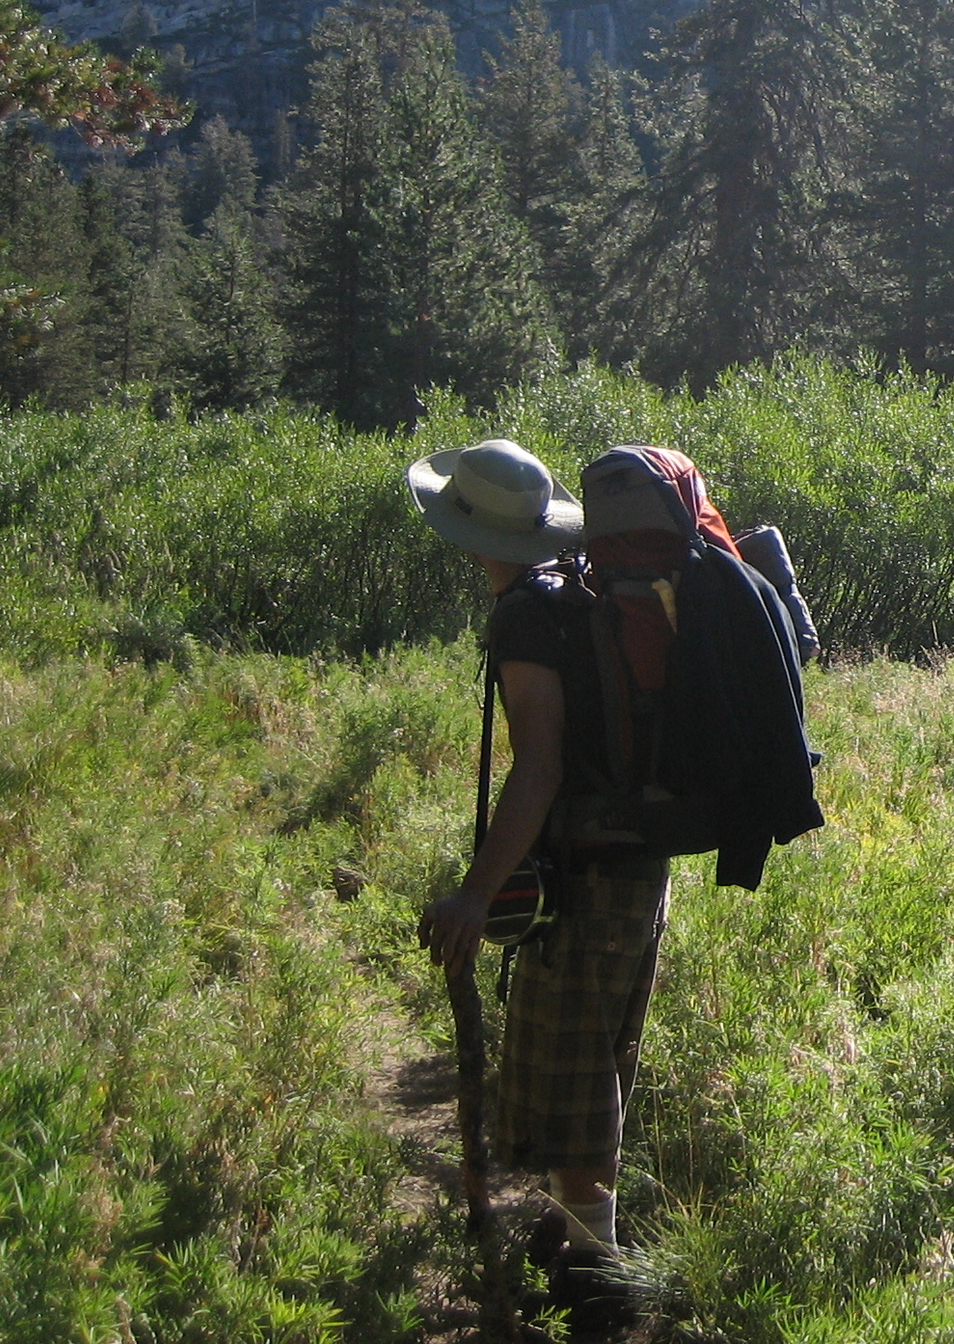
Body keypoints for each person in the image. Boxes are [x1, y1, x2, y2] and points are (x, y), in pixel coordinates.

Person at [410, 436, 660, 1292]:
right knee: (599, 1057)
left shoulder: (527, 614)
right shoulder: (588, 588)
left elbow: (541, 764)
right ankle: (577, 1236)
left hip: (584, 876)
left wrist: (478, 894)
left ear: (477, 534)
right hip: (639, 863)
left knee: (575, 1072)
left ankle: (594, 1277)